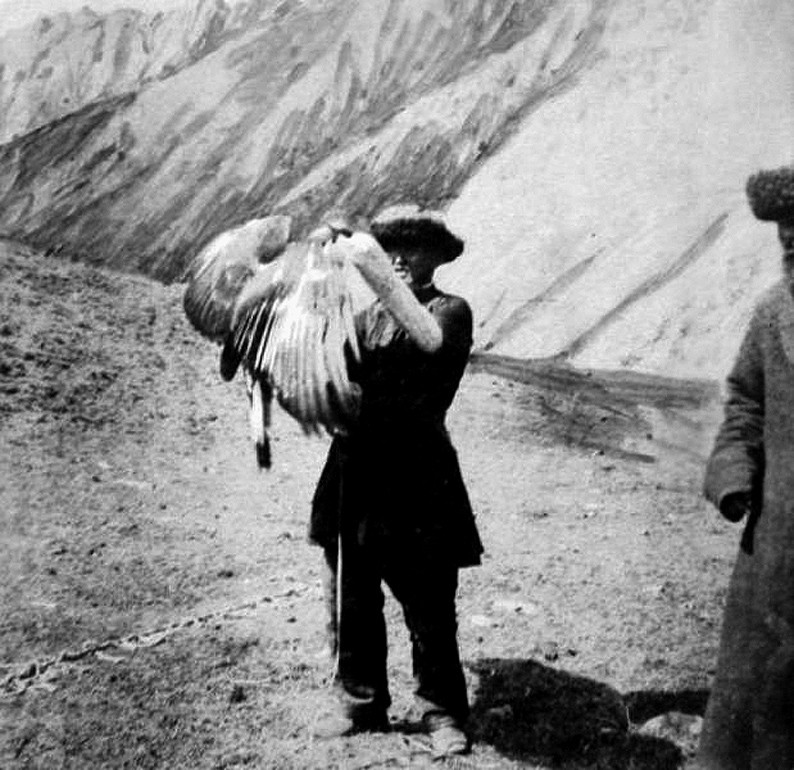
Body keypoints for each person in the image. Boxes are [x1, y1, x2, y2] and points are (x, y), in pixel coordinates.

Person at [308, 205, 483, 756]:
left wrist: (373, 275)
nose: (402, 257)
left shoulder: (451, 312)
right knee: (354, 595)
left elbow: (431, 344)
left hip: (417, 474)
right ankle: (361, 702)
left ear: (436, 256)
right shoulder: (363, 322)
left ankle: (442, 712)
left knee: (428, 600)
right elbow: (329, 378)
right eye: (391, 248)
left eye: (415, 247)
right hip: (356, 472)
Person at [695, 165, 794, 769]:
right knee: (759, 696)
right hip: (780, 540)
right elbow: (745, 403)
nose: (790, 240)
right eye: (784, 229)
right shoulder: (772, 313)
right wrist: (734, 478)